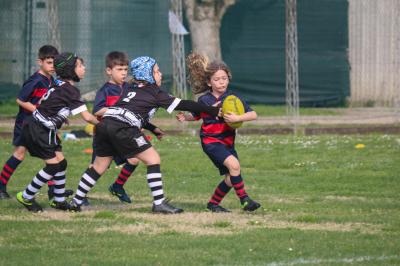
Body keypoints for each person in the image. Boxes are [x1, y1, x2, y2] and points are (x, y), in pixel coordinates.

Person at [69, 56, 221, 214]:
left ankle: (76, 201)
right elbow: (185, 104)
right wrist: (213, 110)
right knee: (153, 159)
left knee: (99, 166)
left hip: (105, 125)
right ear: (148, 75)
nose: (160, 74)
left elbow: (129, 111)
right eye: (156, 71)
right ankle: (159, 204)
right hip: (123, 127)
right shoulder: (155, 92)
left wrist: (152, 128)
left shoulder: (129, 89)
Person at [176, 53, 261, 212]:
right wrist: (184, 118)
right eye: (216, 79)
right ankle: (245, 200)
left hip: (228, 142)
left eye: (224, 78)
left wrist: (238, 117)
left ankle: (213, 204)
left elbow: (253, 114)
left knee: (231, 177)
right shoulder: (204, 100)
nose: (221, 82)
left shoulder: (234, 98)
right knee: (234, 166)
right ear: (209, 82)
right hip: (211, 141)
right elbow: (196, 115)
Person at [16, 52, 99, 212]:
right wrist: (105, 123)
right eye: (80, 65)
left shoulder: (59, 84)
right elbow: (88, 117)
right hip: (38, 129)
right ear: (70, 70)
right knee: (53, 166)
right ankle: (26, 196)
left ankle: (58, 200)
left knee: (61, 163)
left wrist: (60, 115)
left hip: (41, 127)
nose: (84, 68)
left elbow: (49, 103)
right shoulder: (70, 91)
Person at [90, 51, 165, 204]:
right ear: (109, 71)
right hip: (107, 133)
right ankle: (81, 196)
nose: (123, 73)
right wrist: (120, 114)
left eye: (125, 70)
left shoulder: (129, 88)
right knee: (97, 166)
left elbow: (136, 112)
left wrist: (152, 127)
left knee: (133, 160)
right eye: (119, 69)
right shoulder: (105, 90)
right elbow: (97, 110)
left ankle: (118, 186)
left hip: (123, 133)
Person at [0, 45, 72, 200]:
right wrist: (38, 112)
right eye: (49, 62)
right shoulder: (35, 81)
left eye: (55, 63)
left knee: (56, 156)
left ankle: (54, 191)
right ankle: (1, 186)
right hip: (27, 124)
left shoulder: (51, 81)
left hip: (43, 125)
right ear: (40, 62)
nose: (53, 66)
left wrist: (59, 115)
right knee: (19, 154)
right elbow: (20, 100)